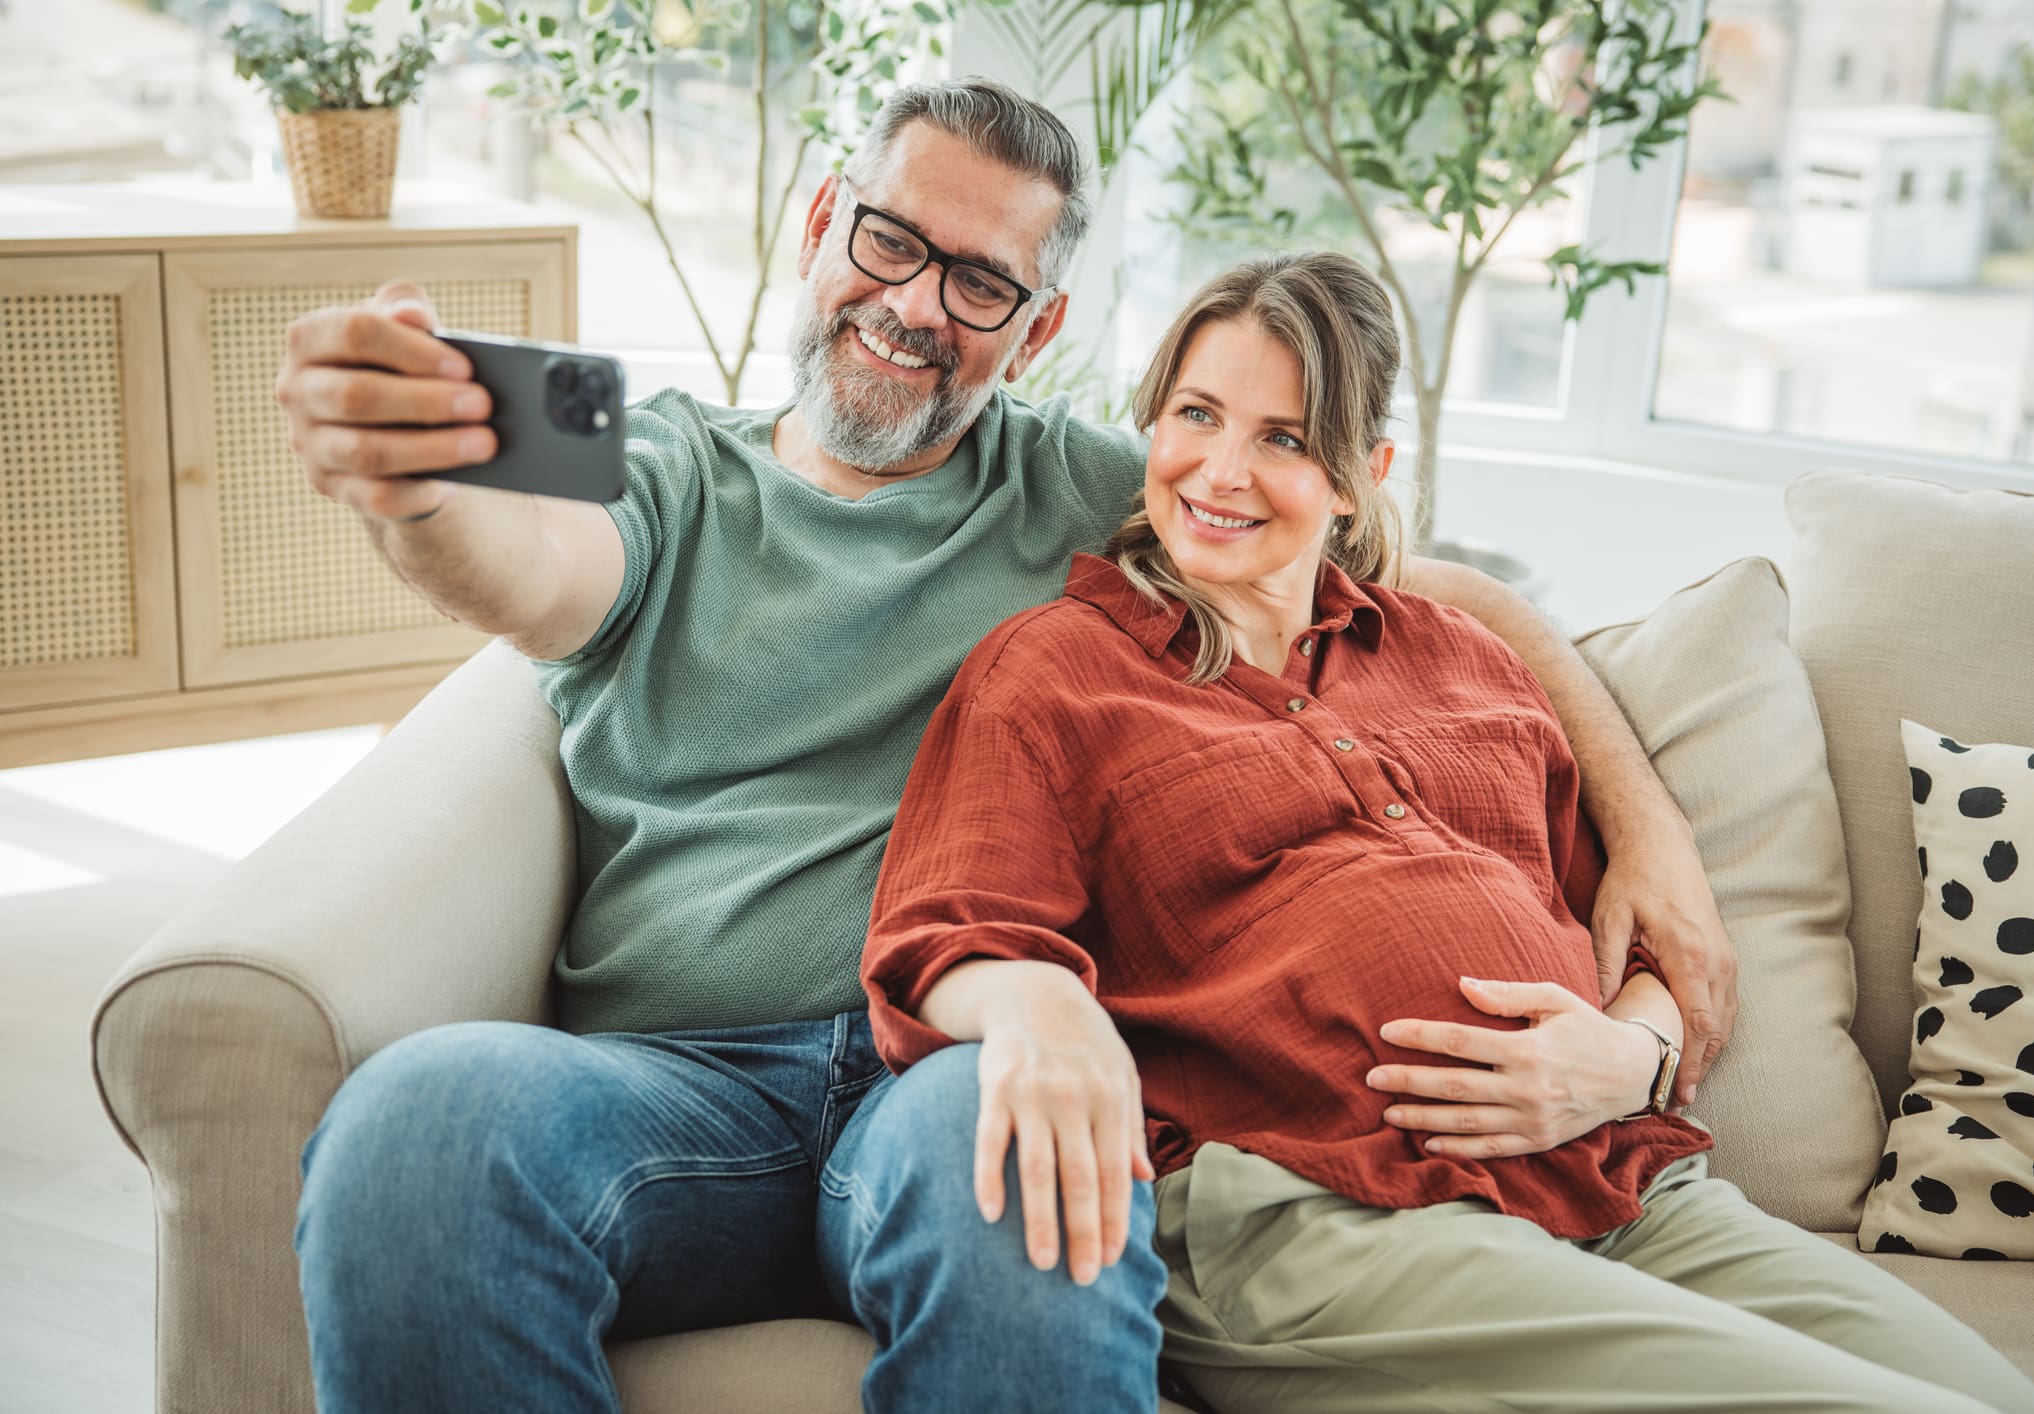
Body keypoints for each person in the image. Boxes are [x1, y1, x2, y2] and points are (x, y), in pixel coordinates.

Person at [276, 78, 1735, 1412]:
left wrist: (1653, 833)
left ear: (1037, 329)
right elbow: (520, 562)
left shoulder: (1087, 488)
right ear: (817, 223)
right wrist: (414, 494)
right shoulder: (660, 463)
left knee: (1029, 1155)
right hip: (679, 1086)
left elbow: (1442, 593)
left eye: (980, 281)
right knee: (412, 1124)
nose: (915, 304)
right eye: (892, 239)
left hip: (956, 1060)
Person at [863, 251, 2034, 1414]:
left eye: (1282, 438)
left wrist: (1627, 1059)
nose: (1220, 470)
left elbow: (1643, 948)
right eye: (1196, 414)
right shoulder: (1057, 668)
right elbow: (946, 933)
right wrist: (1042, 1008)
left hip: (1622, 1183)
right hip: (1313, 1205)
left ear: (1357, 474)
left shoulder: (1462, 659)